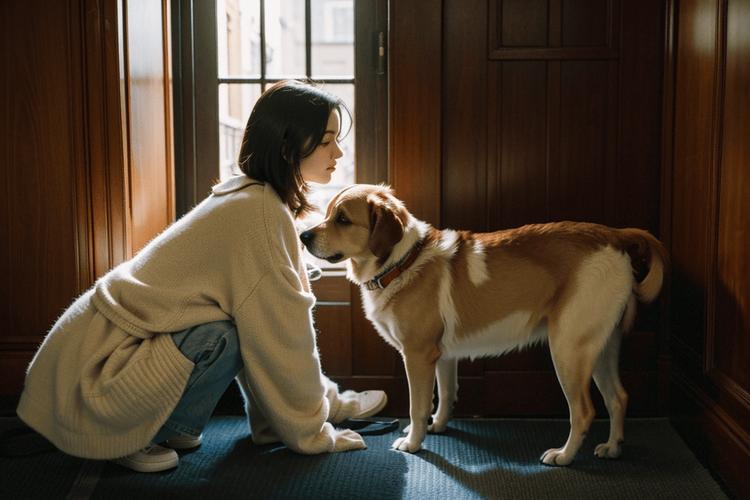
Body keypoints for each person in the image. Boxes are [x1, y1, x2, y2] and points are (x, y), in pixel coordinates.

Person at [16, 80, 388, 472]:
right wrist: (312, 431)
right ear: (288, 145)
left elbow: (270, 329)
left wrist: (321, 408)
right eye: (328, 141)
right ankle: (132, 436)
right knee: (220, 334)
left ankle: (164, 424)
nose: (339, 152)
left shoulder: (254, 199)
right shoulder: (256, 212)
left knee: (231, 323)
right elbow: (283, 334)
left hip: (101, 359)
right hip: (98, 375)